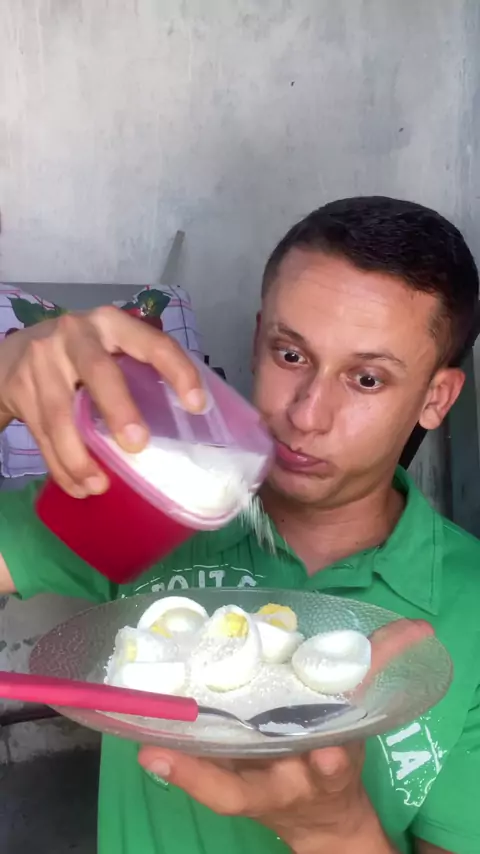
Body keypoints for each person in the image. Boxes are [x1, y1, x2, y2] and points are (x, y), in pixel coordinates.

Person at [0, 196, 479, 854]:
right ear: (257, 342)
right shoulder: (154, 502)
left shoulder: (470, 606)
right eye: (291, 355)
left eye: (367, 379)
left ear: (436, 397)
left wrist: (336, 831)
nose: (307, 414)